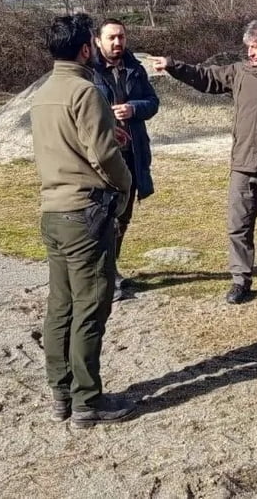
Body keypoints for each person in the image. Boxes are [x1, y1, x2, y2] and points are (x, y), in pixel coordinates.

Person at [148, 17, 257, 306]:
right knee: (238, 226)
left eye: (255, 47)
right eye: (248, 48)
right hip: (242, 166)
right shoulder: (240, 72)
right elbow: (204, 77)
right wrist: (172, 65)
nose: (250, 53)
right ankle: (240, 281)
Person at [32, 13, 137, 428]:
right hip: (86, 212)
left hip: (53, 212)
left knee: (61, 306)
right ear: (84, 49)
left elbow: (69, 144)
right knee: (91, 307)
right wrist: (125, 184)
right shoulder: (85, 91)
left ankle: (61, 394)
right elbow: (104, 156)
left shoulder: (43, 93)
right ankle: (87, 403)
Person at [90, 18, 160, 301]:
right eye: (111, 38)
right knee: (102, 218)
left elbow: (153, 103)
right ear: (98, 41)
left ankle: (112, 271)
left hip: (132, 156)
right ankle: (100, 277)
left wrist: (133, 108)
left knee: (123, 217)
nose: (117, 42)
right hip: (102, 158)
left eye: (121, 37)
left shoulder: (134, 68)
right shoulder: (88, 72)